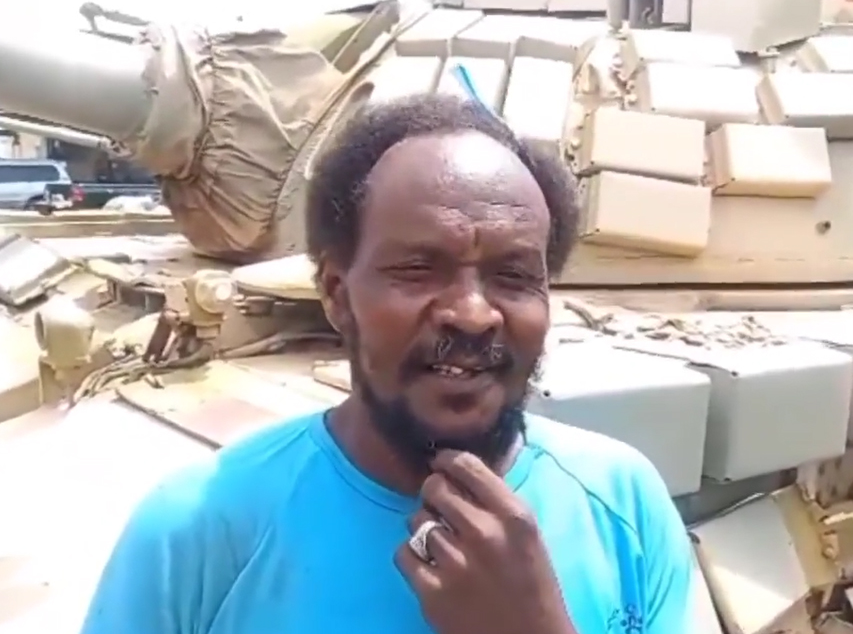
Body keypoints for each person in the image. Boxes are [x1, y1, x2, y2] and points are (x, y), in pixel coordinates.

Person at [79, 93, 694, 634]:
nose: (473, 315)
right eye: (418, 269)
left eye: (514, 276)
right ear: (337, 294)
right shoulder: (198, 530)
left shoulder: (624, 502)